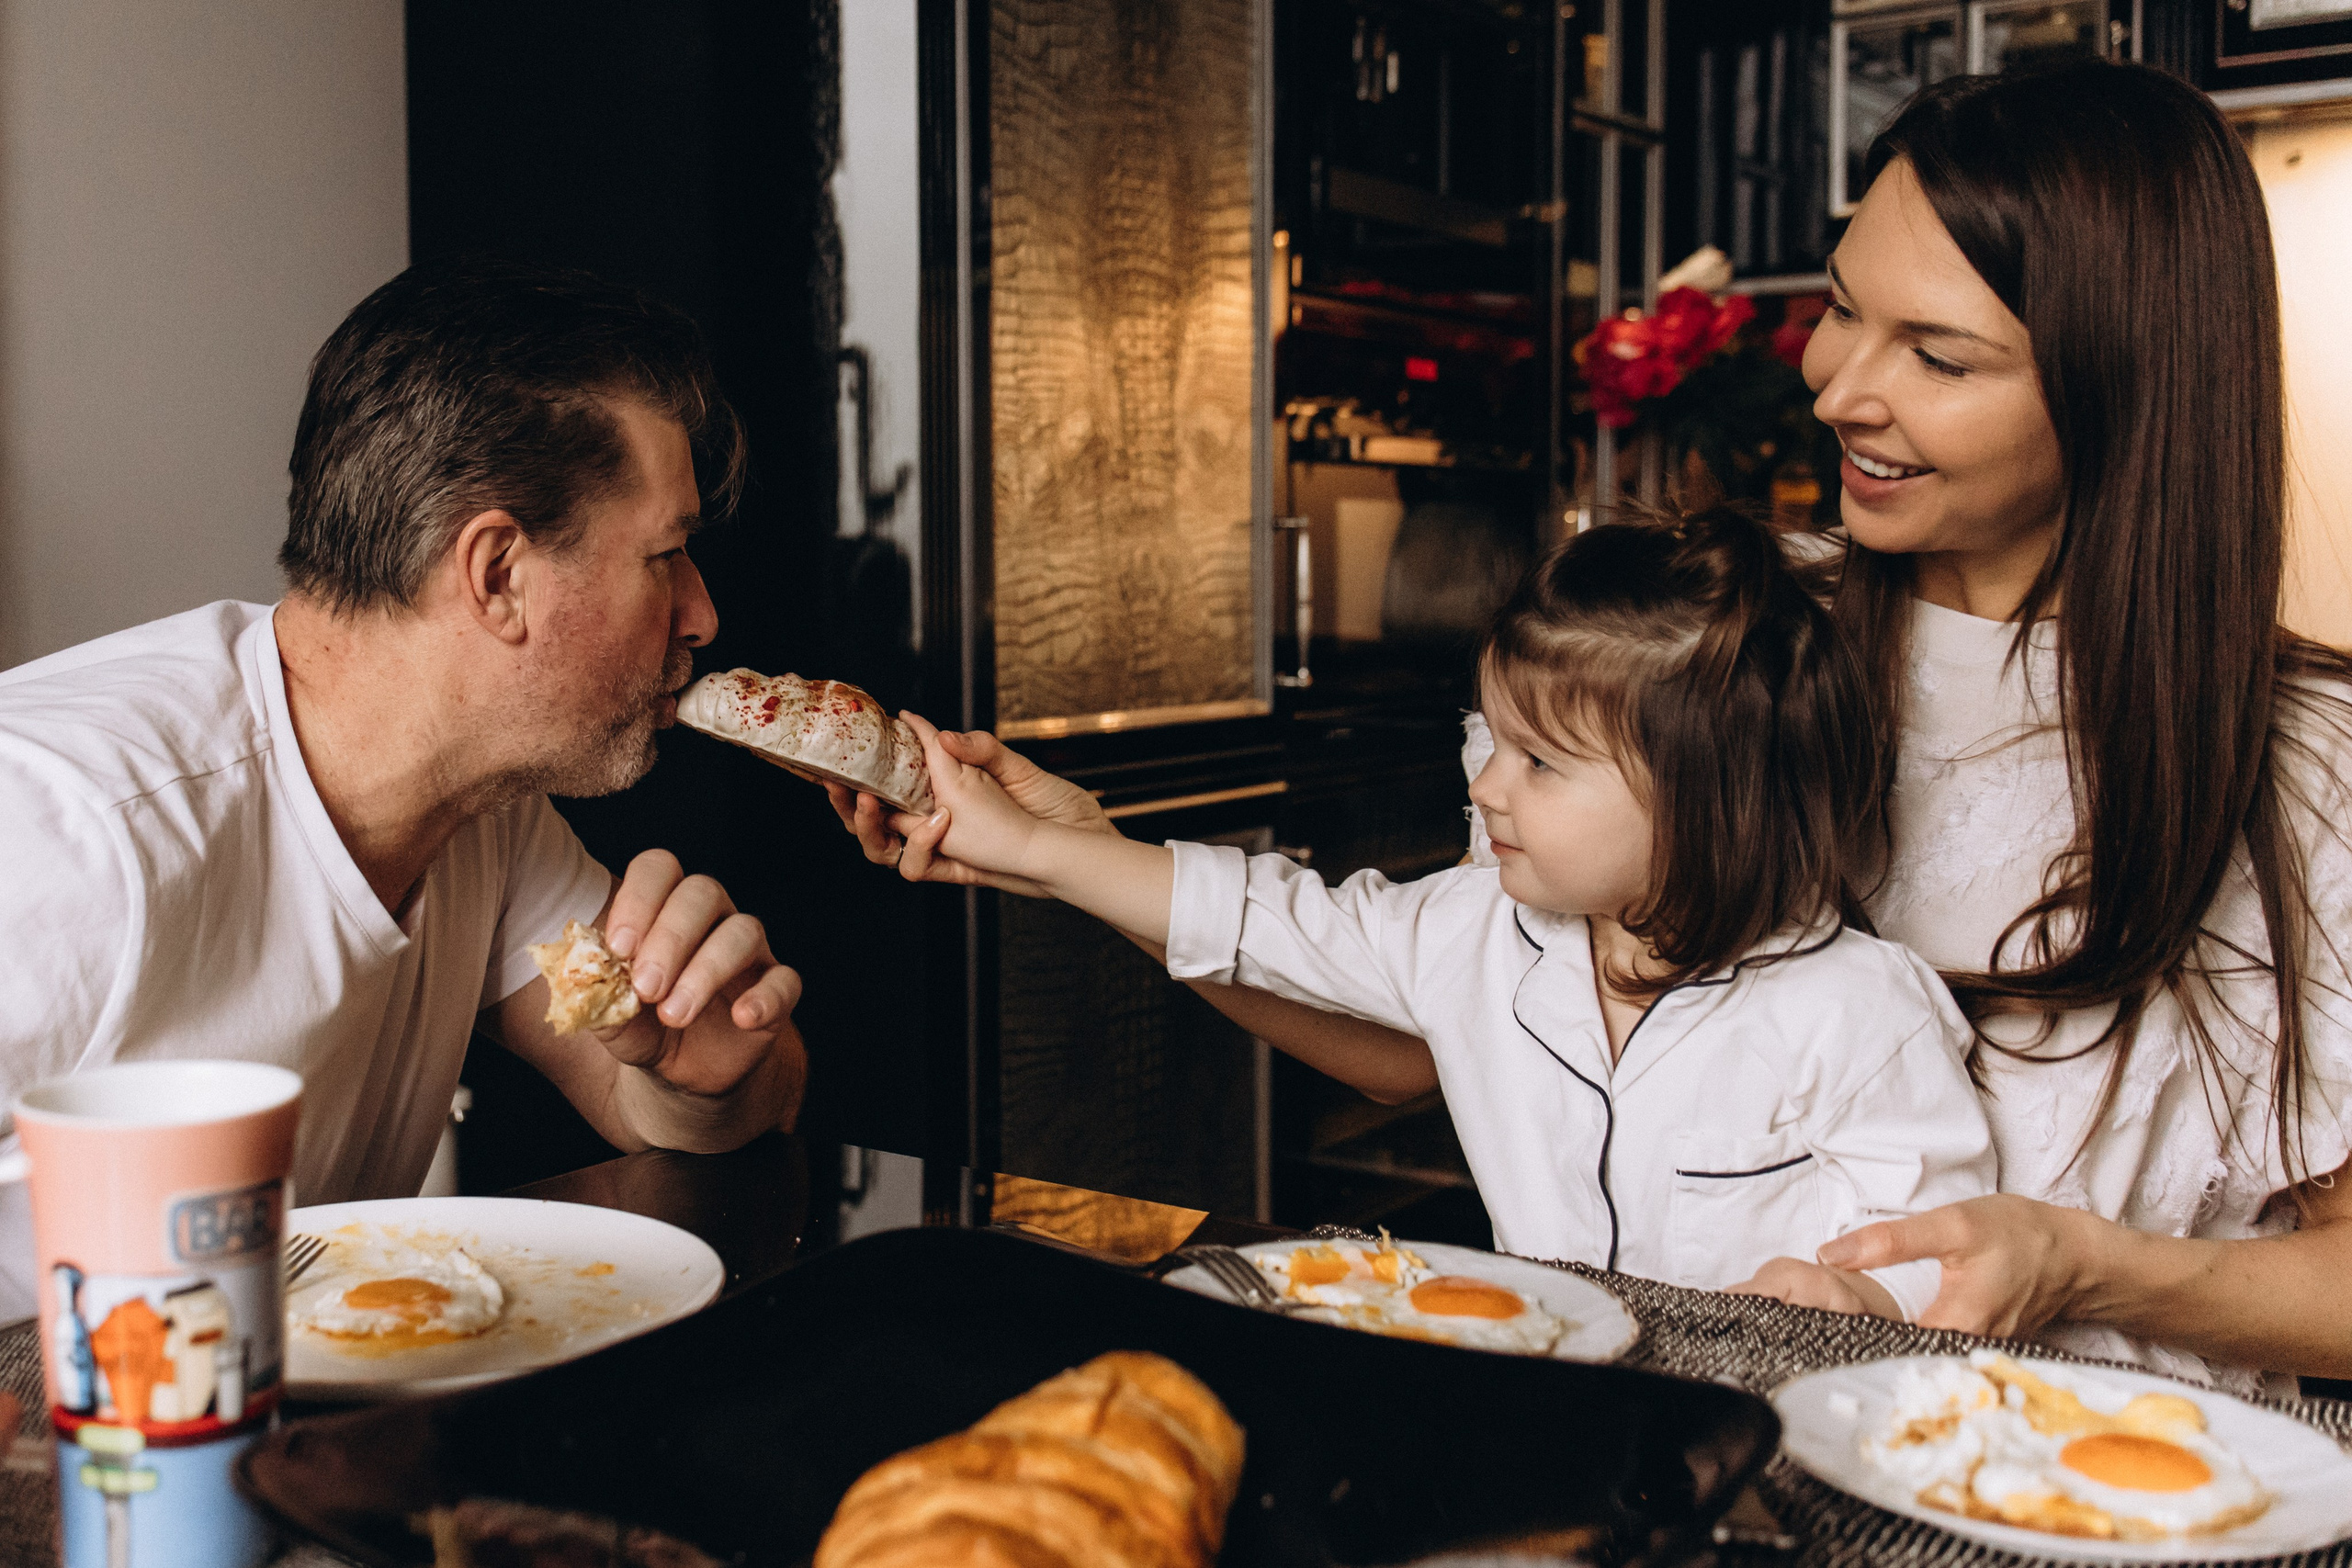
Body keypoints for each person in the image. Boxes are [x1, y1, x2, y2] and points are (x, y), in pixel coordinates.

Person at [848, 62, 2352, 1395]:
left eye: (1938, 356)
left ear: (2126, 392)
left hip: (2096, 1489)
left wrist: (2092, 1268)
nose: (1836, 385)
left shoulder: (2308, 772)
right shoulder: (1739, 634)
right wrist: (1073, 851)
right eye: (1840, 304)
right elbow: (1438, 1018)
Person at [872, 511, 1999, 1319]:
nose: (1485, 786)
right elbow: (1262, 919)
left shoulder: (1859, 1012)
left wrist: (1852, 1291)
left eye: (1540, 762)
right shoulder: (1474, 930)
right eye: (1491, 741)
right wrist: (1037, 846)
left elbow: (1947, 1261)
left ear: (1713, 798)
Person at [0, 258, 808, 1319]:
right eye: (666, 555)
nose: (700, 615)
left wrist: (695, 1078)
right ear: (497, 575)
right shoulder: (68, 829)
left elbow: (673, 1099)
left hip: (276, 1436)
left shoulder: (489, 809)